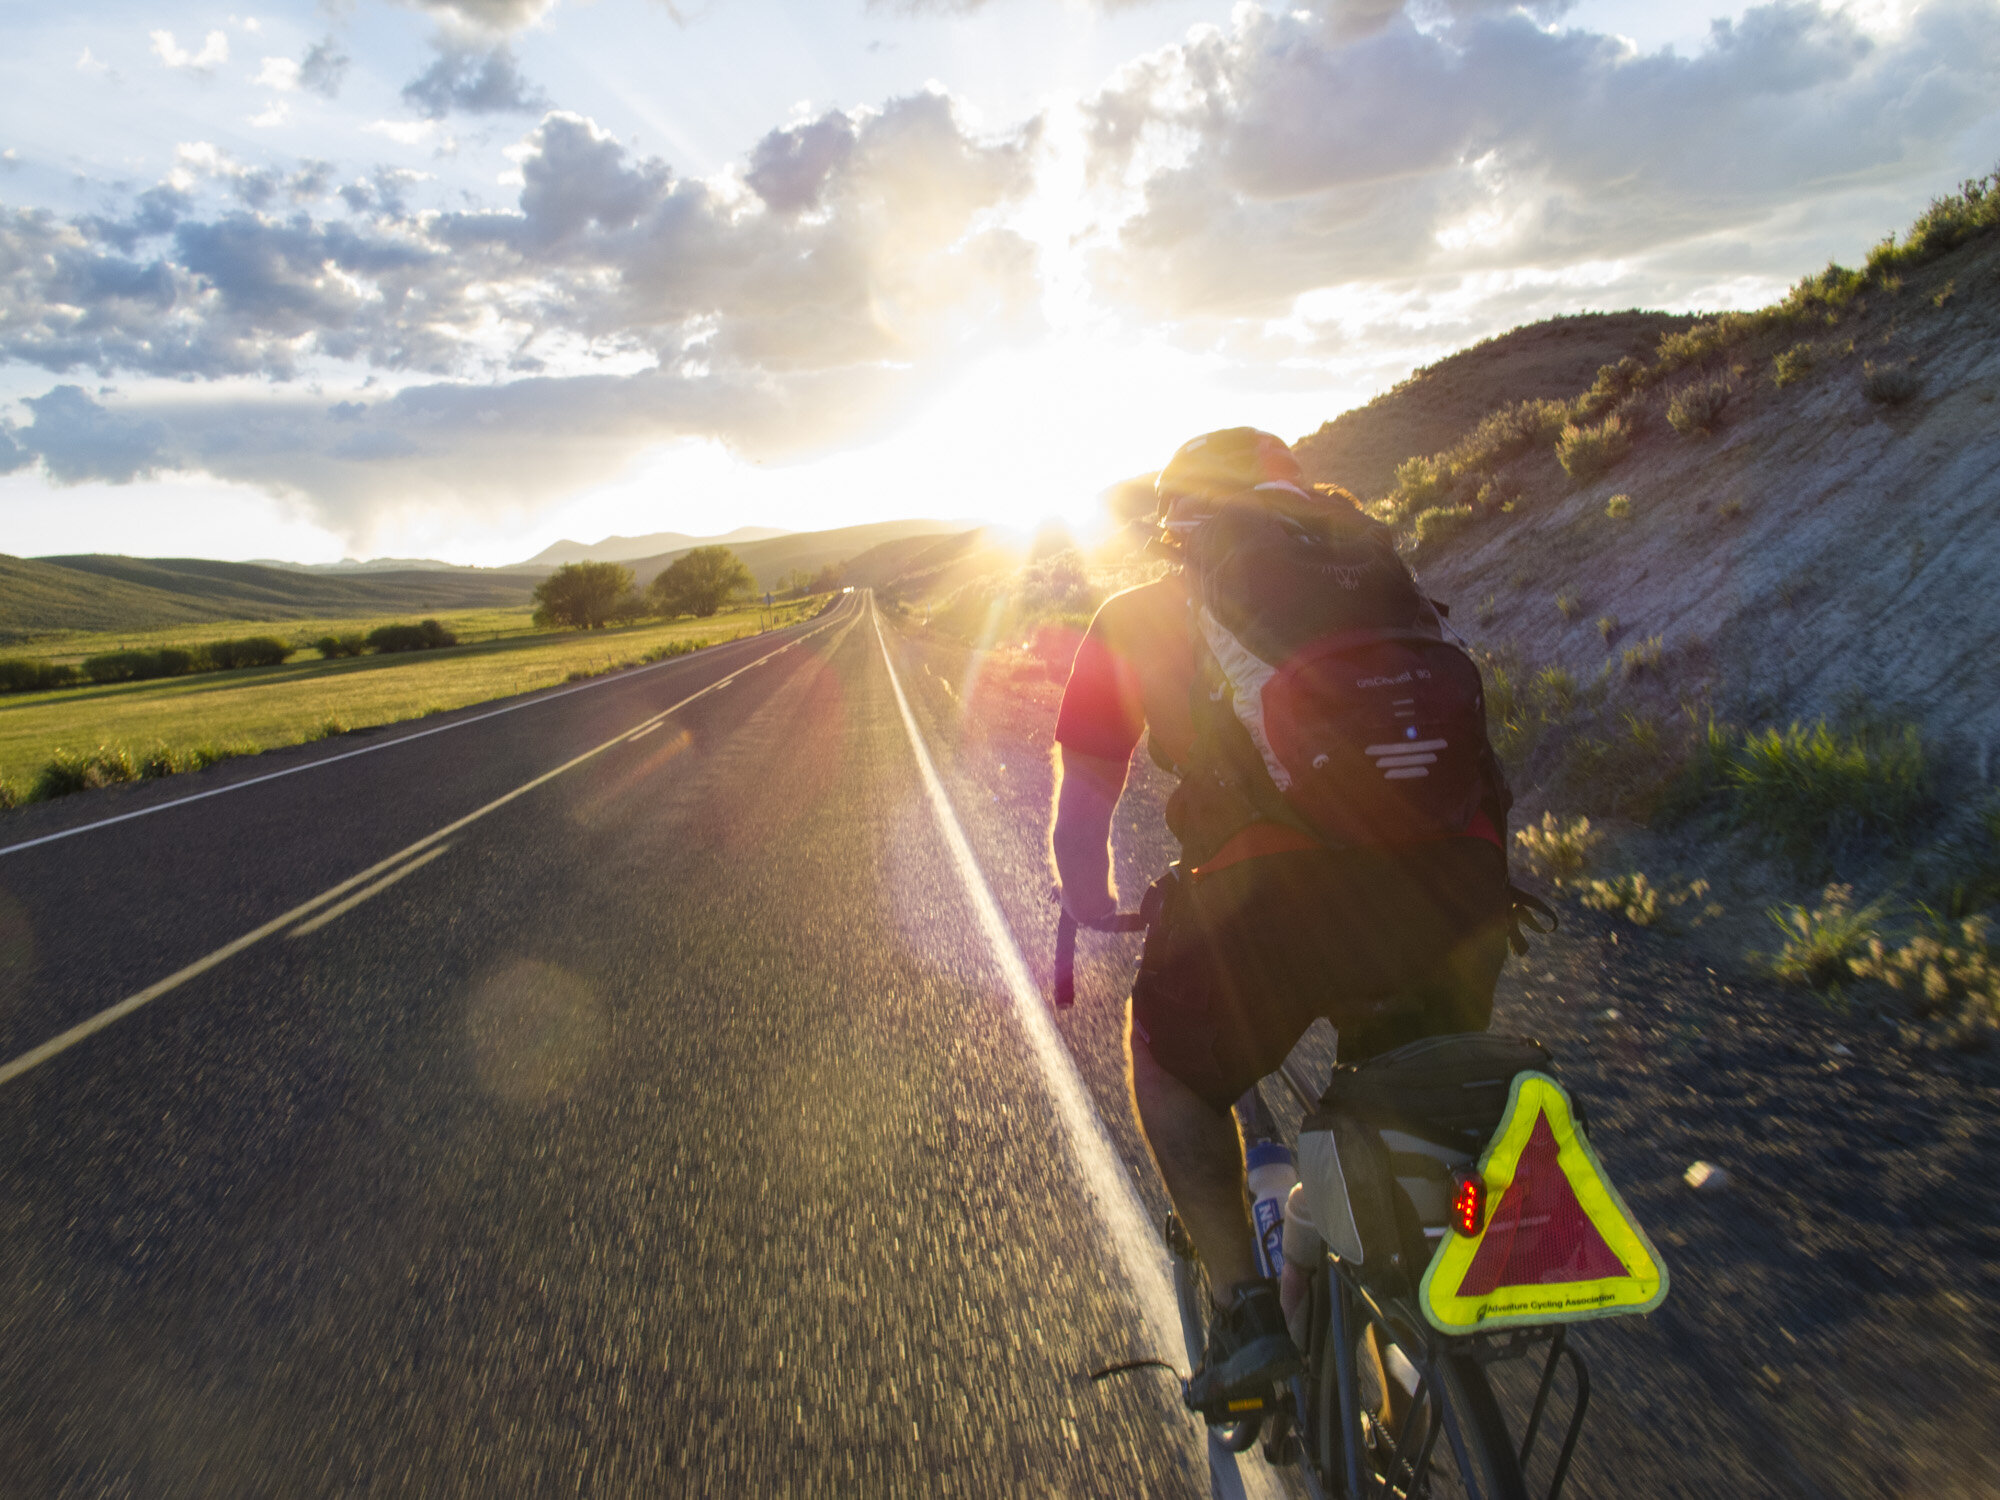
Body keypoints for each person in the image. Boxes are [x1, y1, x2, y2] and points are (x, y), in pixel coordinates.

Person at [1050, 428, 1513, 1409]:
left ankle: (1245, 1314)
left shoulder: (1140, 611)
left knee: (1172, 1072)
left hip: (1272, 902)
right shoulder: (1382, 584)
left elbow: (1087, 790)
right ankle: (1420, 1317)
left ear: (1178, 517)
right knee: (1398, 1100)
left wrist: (1084, 892)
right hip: (1458, 891)